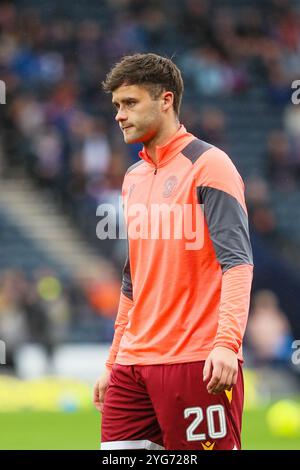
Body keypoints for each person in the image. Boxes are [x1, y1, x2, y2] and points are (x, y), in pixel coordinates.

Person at [93, 53, 253, 450]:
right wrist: (114, 361)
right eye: (116, 106)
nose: (119, 115)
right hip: (132, 367)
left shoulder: (210, 165)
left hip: (195, 363)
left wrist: (226, 344)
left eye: (130, 103)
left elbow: (237, 263)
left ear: (166, 100)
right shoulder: (133, 177)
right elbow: (134, 280)